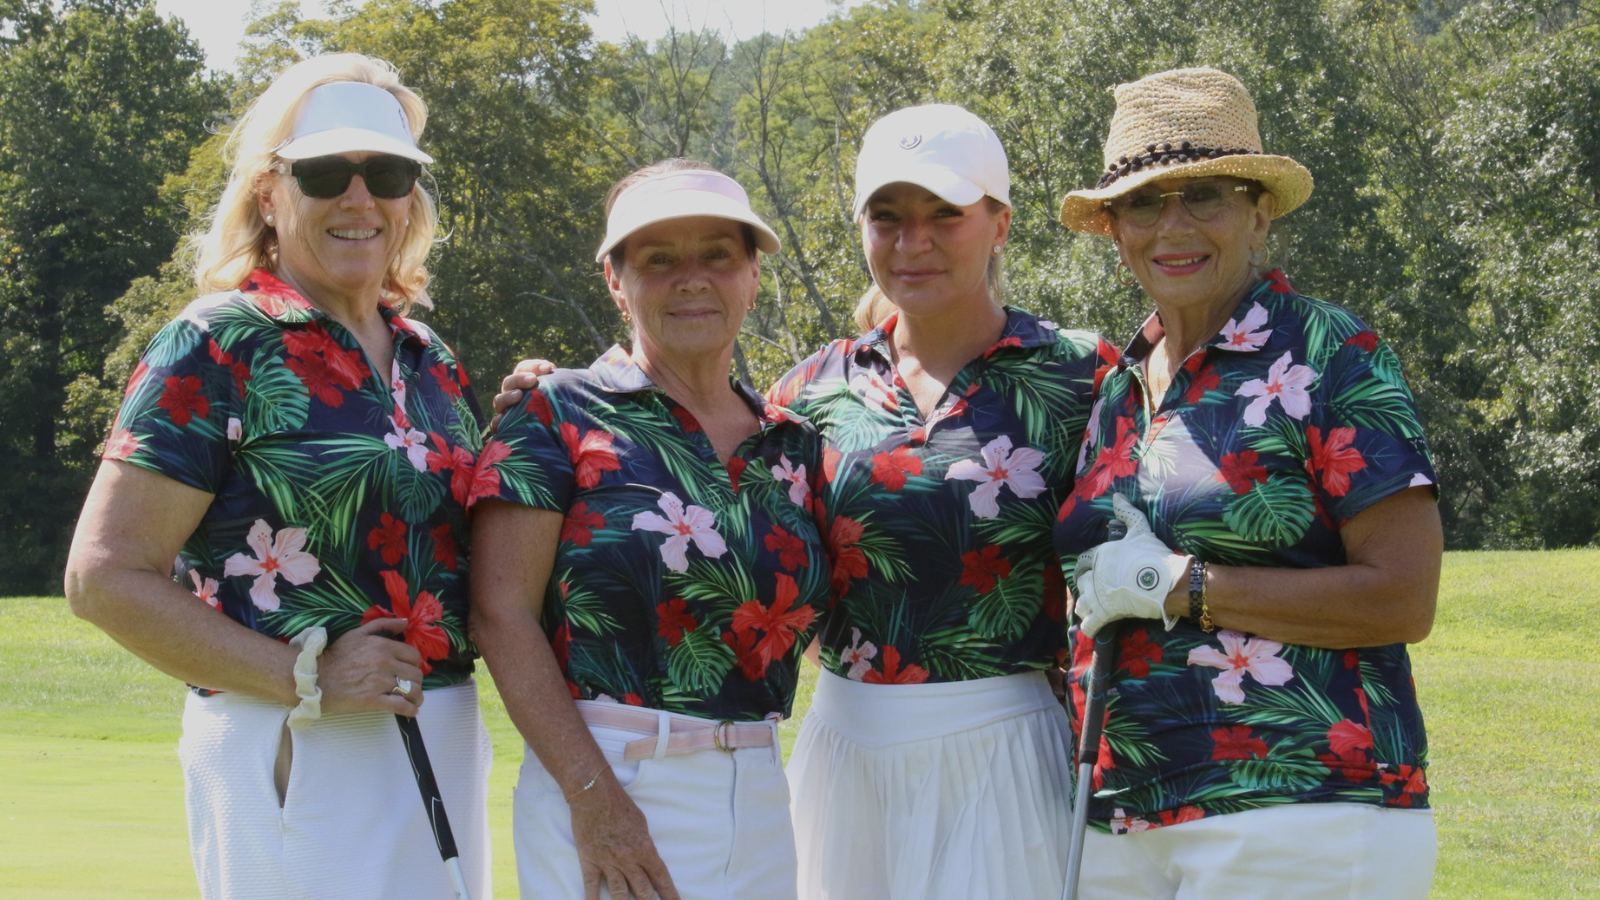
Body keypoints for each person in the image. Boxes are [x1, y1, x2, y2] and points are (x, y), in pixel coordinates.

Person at [492, 106, 1114, 900]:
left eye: (944, 216)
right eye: (886, 218)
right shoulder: (810, 394)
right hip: (845, 744)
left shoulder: (1083, 377)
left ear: (999, 225)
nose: (911, 241)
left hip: (1010, 741)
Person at [63, 54, 492, 900]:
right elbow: (103, 576)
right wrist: (307, 677)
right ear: (269, 191)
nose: (359, 198)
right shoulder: (220, 342)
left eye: (389, 173)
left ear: (413, 196)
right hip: (295, 733)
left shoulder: (428, 356)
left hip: (439, 730)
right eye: (327, 171)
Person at [1052, 66, 1442, 899]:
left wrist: (1184, 586)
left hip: (1301, 809)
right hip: (1121, 817)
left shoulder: (1330, 351)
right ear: (1115, 229)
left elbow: (1402, 597)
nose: (1173, 225)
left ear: (1259, 213)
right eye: (1145, 202)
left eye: (1206, 196)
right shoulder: (1119, 386)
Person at [467, 160, 829, 900]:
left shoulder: (793, 444)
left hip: (758, 787)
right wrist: (595, 800)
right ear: (615, 279)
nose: (691, 279)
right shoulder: (556, 411)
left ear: (752, 276)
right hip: (607, 778)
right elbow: (498, 614)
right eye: (659, 260)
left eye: (717, 257)